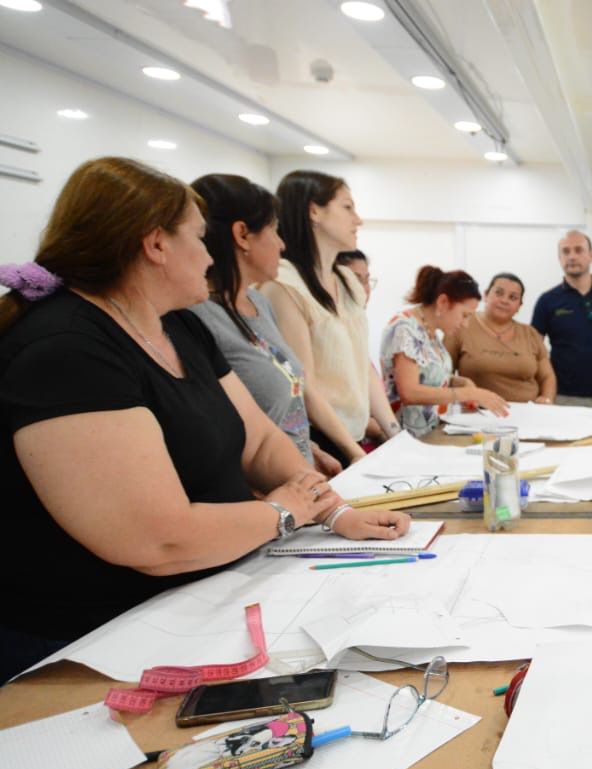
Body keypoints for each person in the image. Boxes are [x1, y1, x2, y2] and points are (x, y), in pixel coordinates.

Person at [0, 158, 410, 682]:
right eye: (198, 237)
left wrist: (333, 512)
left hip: (197, 604)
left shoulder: (181, 327)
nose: (210, 254)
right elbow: (157, 540)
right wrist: (282, 514)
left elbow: (259, 442)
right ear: (156, 245)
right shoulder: (68, 349)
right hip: (88, 646)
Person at [188, 174, 340, 477]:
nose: (281, 245)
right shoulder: (198, 316)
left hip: (300, 476)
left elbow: (281, 407)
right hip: (267, 488)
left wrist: (308, 448)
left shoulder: (260, 303)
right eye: (274, 230)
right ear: (242, 235)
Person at [258, 171, 399, 467]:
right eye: (347, 207)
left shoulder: (346, 280)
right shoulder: (284, 284)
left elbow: (363, 366)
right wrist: (352, 451)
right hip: (320, 442)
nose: (358, 220)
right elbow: (303, 384)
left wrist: (396, 435)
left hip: (352, 439)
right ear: (314, 211)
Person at [381, 265, 508, 437]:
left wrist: (461, 382)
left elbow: (430, 376)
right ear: (443, 302)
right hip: (405, 436)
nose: (465, 324)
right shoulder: (404, 328)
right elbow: (409, 392)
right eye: (465, 315)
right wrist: (467, 393)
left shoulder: (431, 332)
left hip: (432, 431)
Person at [531, 231, 592, 407]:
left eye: (578, 250)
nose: (572, 256)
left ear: (591, 255)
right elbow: (533, 350)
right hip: (560, 398)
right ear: (559, 258)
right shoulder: (547, 300)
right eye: (566, 251)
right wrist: (544, 392)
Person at [445, 273, 554, 404]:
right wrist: (463, 393)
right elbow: (443, 374)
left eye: (513, 297)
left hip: (527, 410)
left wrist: (546, 399)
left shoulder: (530, 334)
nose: (504, 300)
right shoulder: (461, 325)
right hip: (476, 410)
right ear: (486, 295)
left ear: (519, 306)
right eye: (499, 293)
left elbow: (547, 377)